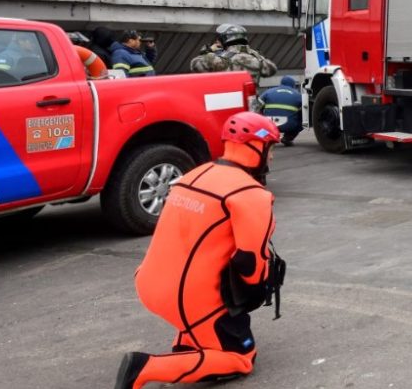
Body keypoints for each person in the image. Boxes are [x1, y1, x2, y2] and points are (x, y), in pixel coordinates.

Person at [115, 112, 285, 389]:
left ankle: (188, 343)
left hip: (149, 283)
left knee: (208, 325)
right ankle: (145, 368)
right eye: (271, 149)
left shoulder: (193, 175)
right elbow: (249, 263)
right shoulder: (251, 194)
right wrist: (255, 293)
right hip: (189, 297)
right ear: (257, 147)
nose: (272, 157)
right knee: (240, 357)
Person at [190, 23, 278, 86]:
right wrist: (257, 55)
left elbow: (195, 65)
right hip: (251, 104)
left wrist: (208, 51)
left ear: (226, 39)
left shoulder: (221, 60)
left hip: (230, 102)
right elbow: (272, 69)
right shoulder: (256, 58)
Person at [259, 76, 303, 146]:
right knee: (304, 116)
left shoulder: (269, 91)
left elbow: (257, 105)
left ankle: (262, 137)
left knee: (259, 113)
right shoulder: (298, 94)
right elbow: (305, 108)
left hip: (269, 125)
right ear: (293, 85)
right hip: (288, 125)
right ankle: (288, 138)